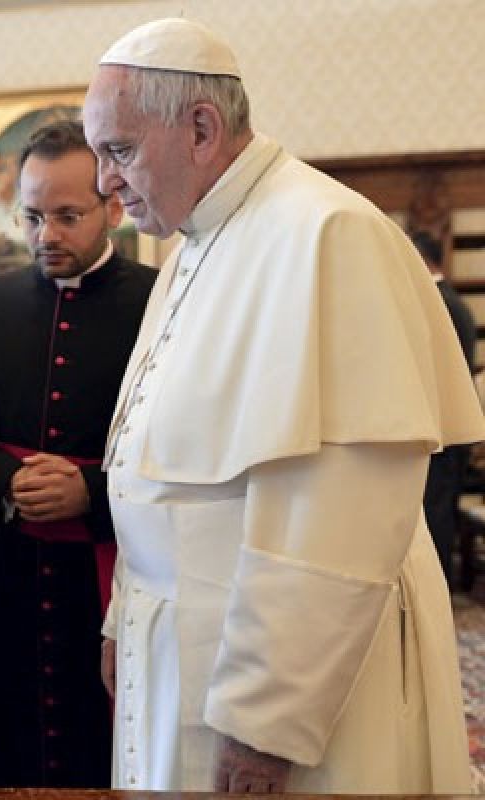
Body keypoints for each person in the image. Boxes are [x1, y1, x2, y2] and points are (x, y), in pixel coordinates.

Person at [82, 18, 485, 794]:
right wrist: (123, 615)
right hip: (180, 643)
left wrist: (267, 723)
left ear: (200, 128)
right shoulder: (193, 243)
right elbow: (153, 463)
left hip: (294, 685)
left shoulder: (326, 234)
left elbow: (340, 514)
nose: (105, 182)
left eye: (120, 151)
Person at [0, 121, 156, 788]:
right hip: (13, 565)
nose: (45, 235)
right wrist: (12, 480)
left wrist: (90, 488)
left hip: (118, 564)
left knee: (111, 734)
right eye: (30, 216)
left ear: (113, 205)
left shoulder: (158, 301)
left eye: (66, 216)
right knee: (12, 728)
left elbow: (182, 444)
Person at [412, 231, 477, 587]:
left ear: (423, 259)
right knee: (440, 509)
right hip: (447, 424)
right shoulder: (451, 300)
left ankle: (438, 588)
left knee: (436, 512)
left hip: (440, 426)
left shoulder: (439, 302)